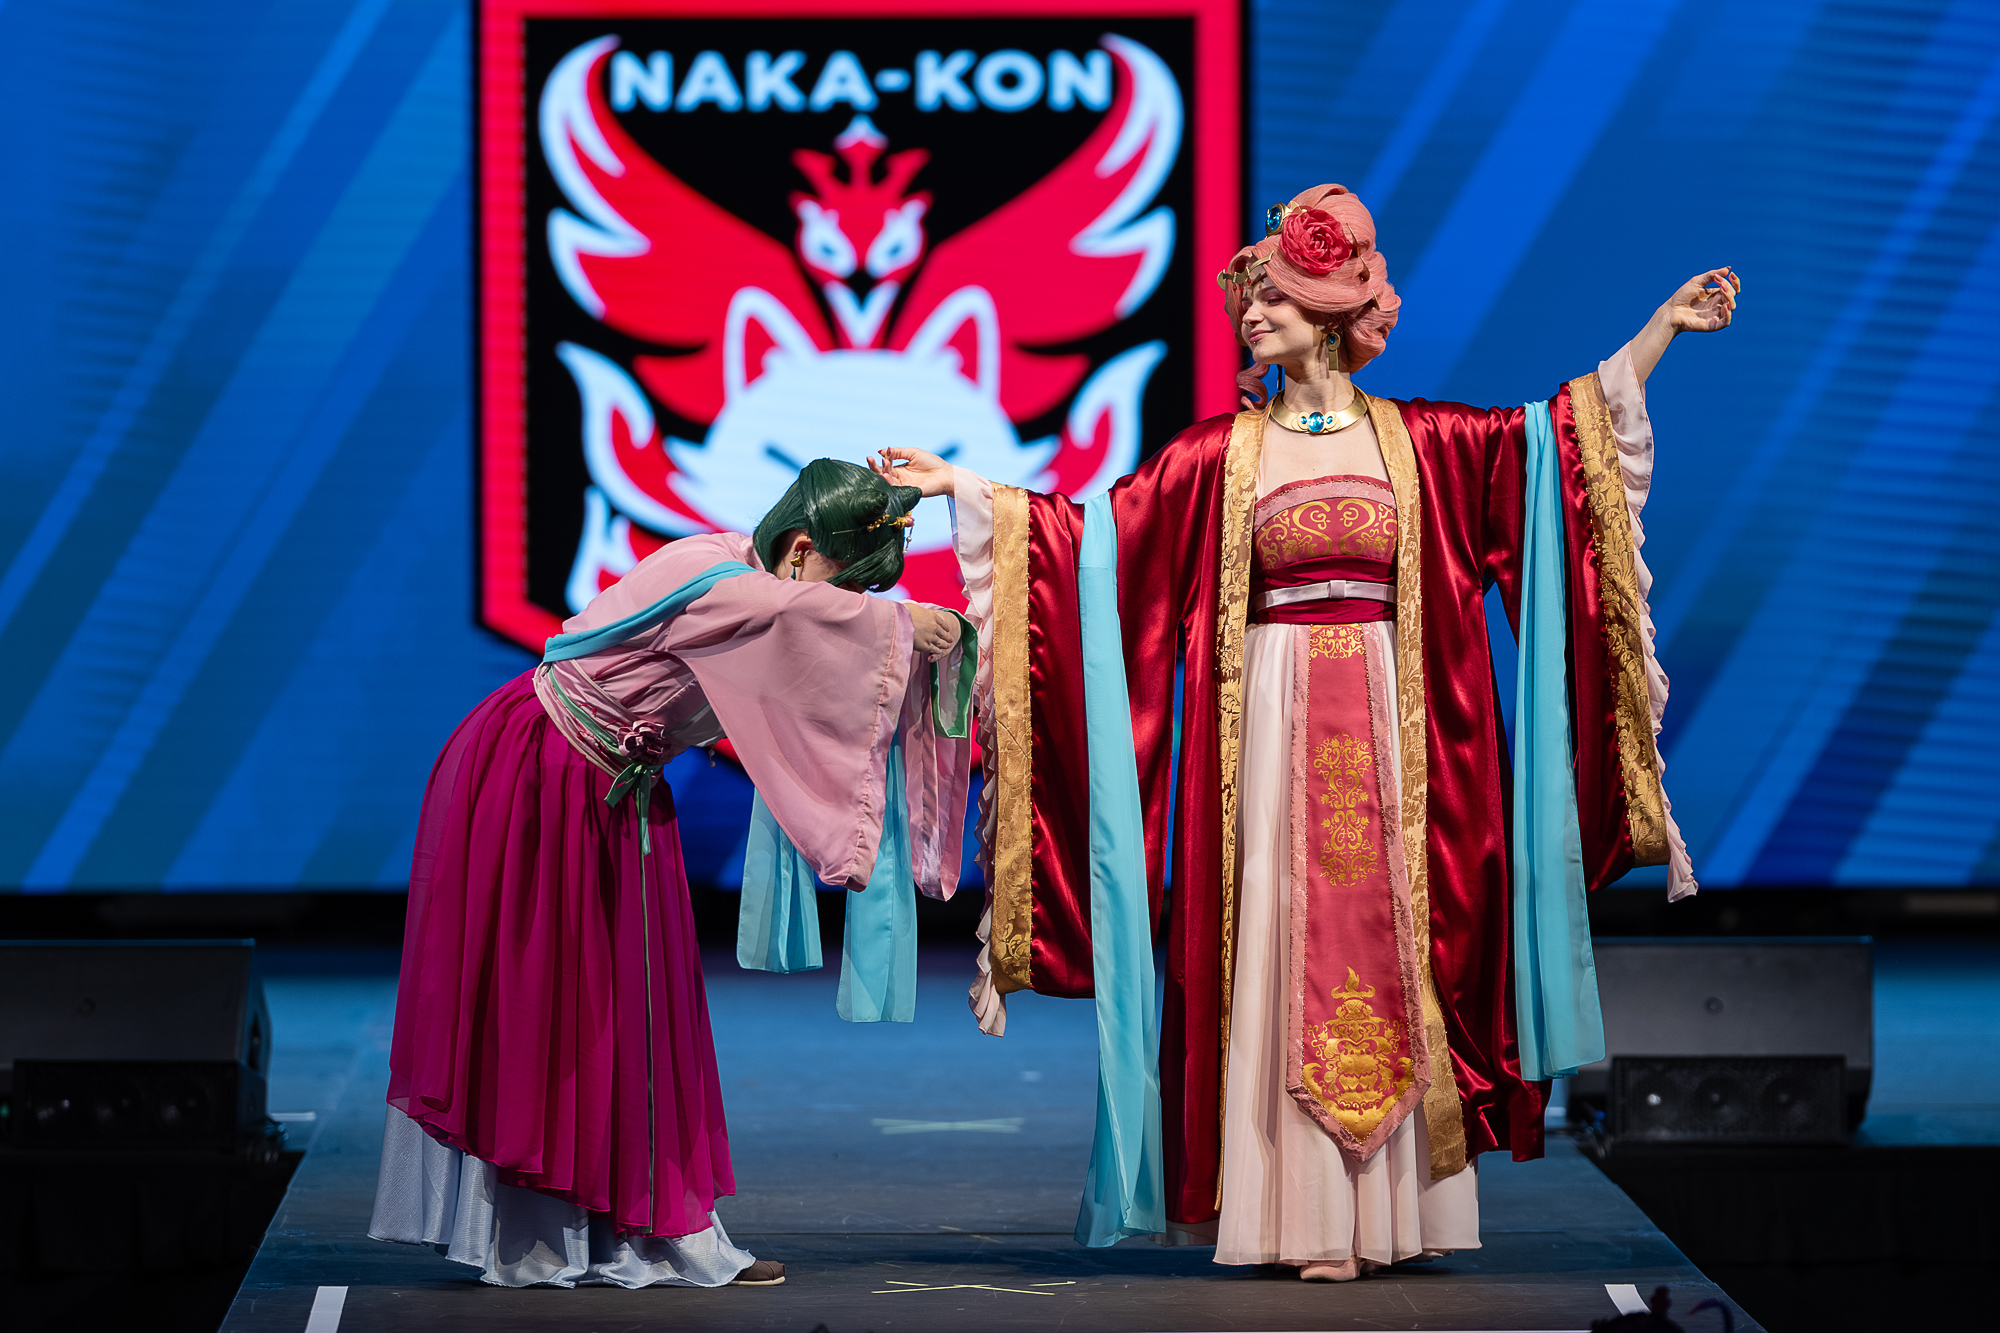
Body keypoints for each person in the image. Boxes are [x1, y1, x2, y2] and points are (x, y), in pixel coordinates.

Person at [874, 184, 1737, 1280]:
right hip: (1268, 733)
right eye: (1248, 300)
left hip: (1397, 730)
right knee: (1277, 938)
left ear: (1325, 312)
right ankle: (1293, 1212)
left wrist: (1658, 333)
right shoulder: (1216, 455)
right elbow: (1094, 544)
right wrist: (966, 488)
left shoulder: (1422, 442)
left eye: (1272, 298)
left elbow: (1552, 449)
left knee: (1399, 935)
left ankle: (1393, 1214)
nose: (1251, 314)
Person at [368, 460, 972, 1288]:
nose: (850, 605)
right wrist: (906, 623)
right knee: (555, 1003)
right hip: (543, 777)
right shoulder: (722, 581)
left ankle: (638, 1230)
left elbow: (807, 650)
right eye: (848, 583)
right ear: (801, 548)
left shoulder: (749, 576)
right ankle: (543, 1235)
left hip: (600, 786)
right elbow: (796, 617)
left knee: (628, 1008)